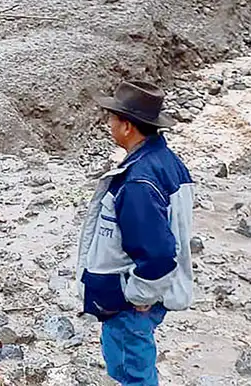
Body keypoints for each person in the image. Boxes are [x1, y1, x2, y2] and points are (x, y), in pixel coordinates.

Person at [77, 80, 195, 386]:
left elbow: (157, 254)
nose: (109, 125)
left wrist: (139, 294)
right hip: (131, 299)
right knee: (130, 366)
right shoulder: (167, 163)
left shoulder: (138, 182)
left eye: (112, 119)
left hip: (128, 303)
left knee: (133, 373)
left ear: (127, 127)